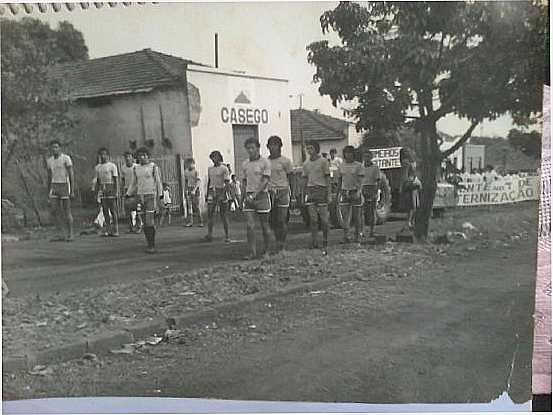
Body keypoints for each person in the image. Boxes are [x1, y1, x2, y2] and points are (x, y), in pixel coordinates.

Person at [125, 147, 163, 254]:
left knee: (149, 220)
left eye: (144, 155)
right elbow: (133, 183)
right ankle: (148, 244)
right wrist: (128, 194)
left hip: (150, 196)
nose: (142, 157)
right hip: (140, 197)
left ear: (148, 156)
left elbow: (158, 182)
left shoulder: (153, 167)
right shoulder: (136, 168)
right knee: (144, 222)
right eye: (140, 155)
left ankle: (152, 245)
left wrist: (160, 196)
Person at [242, 137, 275, 259]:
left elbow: (265, 181)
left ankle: (267, 251)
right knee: (250, 226)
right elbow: (244, 181)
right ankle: (252, 252)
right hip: (249, 196)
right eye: (248, 148)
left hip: (262, 196)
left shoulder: (265, 162)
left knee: (264, 225)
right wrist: (244, 196)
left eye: (252, 148)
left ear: (258, 148)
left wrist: (255, 194)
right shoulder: (245, 163)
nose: (250, 150)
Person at [302, 140, 331, 255]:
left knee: (324, 219)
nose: (309, 151)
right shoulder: (306, 164)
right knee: (313, 220)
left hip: (321, 190)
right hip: (311, 191)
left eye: (311, 148)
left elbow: (328, 178)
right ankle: (314, 241)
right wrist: (304, 194)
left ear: (316, 149)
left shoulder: (323, 162)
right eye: (307, 149)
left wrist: (328, 194)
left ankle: (325, 240)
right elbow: (304, 179)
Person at [267, 135, 294, 251]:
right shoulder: (265, 162)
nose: (273, 148)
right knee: (271, 221)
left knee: (281, 219)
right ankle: (276, 241)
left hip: (283, 191)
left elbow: (291, 178)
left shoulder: (285, 161)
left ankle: (281, 244)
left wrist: (292, 195)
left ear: (280, 146)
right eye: (271, 145)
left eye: (275, 145)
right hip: (270, 192)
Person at [46, 140, 75, 242]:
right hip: (54, 186)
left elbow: (71, 174)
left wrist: (72, 190)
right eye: (53, 147)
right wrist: (48, 190)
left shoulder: (66, 158)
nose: (54, 149)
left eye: (56, 147)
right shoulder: (49, 161)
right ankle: (60, 233)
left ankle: (70, 233)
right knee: (55, 211)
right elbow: (49, 177)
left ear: (60, 148)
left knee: (67, 211)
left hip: (64, 185)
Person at [336, 145, 364, 244]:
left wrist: (359, 192)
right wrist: (338, 193)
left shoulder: (359, 166)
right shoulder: (341, 166)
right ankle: (346, 236)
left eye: (350, 153)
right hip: (344, 192)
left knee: (357, 216)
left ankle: (358, 235)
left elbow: (361, 181)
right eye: (346, 153)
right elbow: (339, 180)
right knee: (345, 217)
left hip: (355, 191)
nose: (348, 155)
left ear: (353, 154)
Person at [92, 148, 120, 237]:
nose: (103, 156)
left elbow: (115, 179)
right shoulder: (98, 167)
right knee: (105, 210)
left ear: (108, 155)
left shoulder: (112, 166)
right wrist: (96, 192)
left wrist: (116, 191)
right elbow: (97, 181)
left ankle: (116, 229)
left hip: (110, 188)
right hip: (102, 189)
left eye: (105, 154)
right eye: (101, 154)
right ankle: (108, 229)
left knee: (113, 210)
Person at [205, 150, 231, 243]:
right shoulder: (210, 169)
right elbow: (209, 181)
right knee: (210, 214)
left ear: (219, 157)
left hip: (221, 191)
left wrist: (223, 194)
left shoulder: (224, 169)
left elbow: (227, 183)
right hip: (212, 191)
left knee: (223, 215)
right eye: (212, 158)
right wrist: (207, 193)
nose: (213, 160)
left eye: (215, 157)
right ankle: (209, 234)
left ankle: (227, 235)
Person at [362, 149, 381, 238]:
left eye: (368, 157)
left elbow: (378, 181)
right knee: (362, 211)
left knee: (372, 211)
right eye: (365, 157)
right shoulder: (361, 167)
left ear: (371, 158)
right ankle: (362, 231)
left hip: (372, 188)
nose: (367, 159)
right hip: (362, 189)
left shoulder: (375, 168)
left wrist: (376, 192)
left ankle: (372, 230)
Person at [121, 152, 141, 233]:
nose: (127, 158)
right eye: (126, 157)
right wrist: (122, 190)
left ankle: (139, 226)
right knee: (127, 210)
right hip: (127, 189)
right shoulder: (123, 168)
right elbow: (122, 180)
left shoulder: (136, 167)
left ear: (132, 158)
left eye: (129, 157)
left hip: (136, 190)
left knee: (137, 209)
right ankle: (130, 227)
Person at [183, 158, 203, 227]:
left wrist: (194, 190)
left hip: (196, 189)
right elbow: (186, 181)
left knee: (197, 206)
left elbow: (198, 181)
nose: (188, 165)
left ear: (193, 163)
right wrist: (185, 190)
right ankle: (190, 222)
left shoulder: (196, 171)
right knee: (189, 206)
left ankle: (200, 221)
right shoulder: (186, 171)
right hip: (189, 188)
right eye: (187, 164)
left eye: (189, 163)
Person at [402, 165, 422, 230]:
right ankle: (409, 222)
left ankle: (411, 222)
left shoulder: (415, 178)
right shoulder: (409, 179)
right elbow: (406, 186)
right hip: (410, 195)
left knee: (414, 209)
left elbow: (420, 186)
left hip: (415, 195)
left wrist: (417, 185)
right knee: (411, 209)